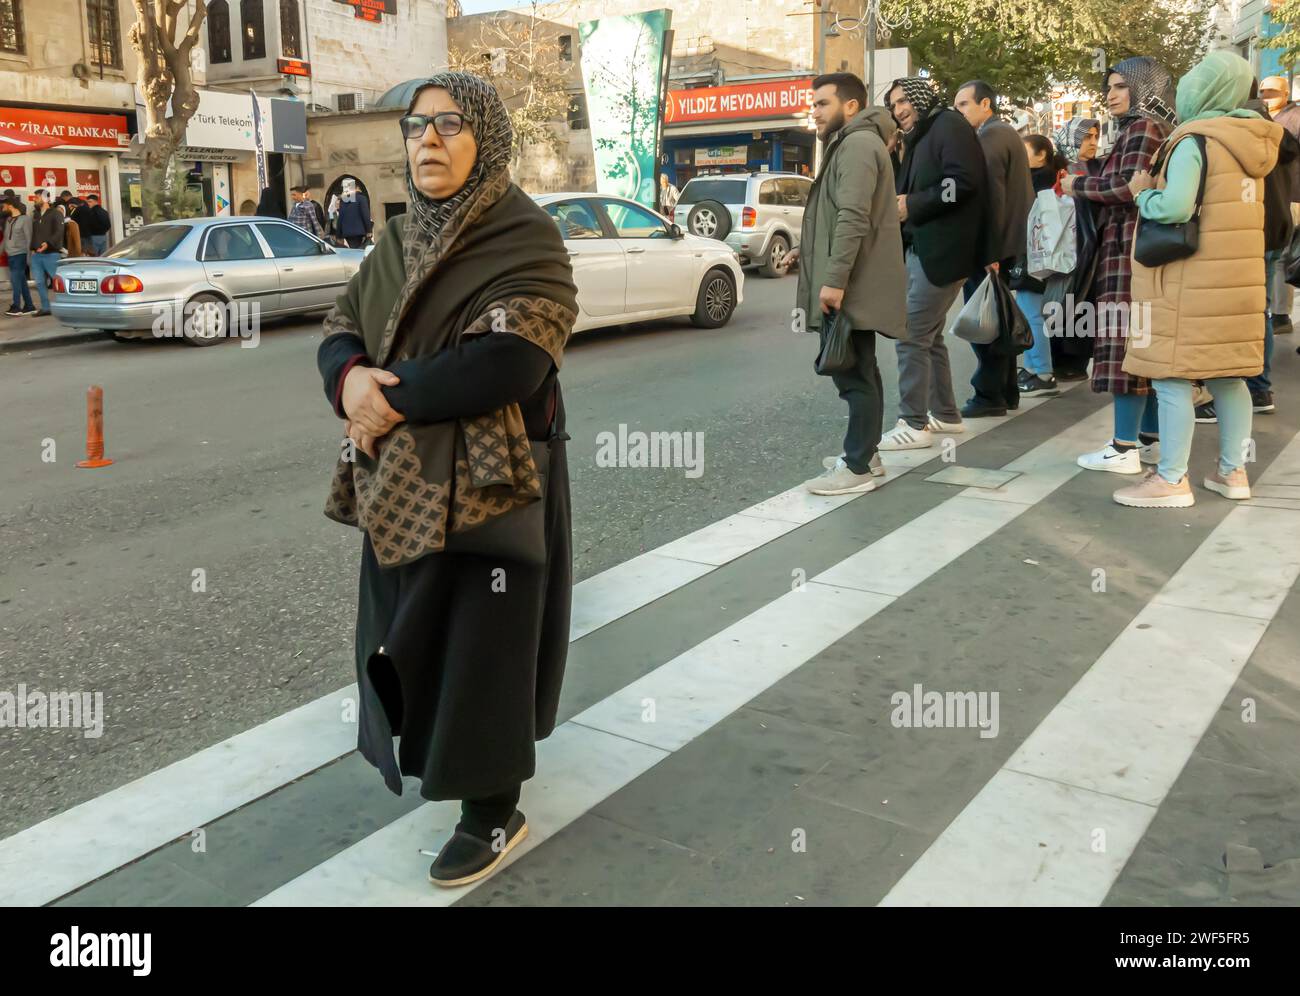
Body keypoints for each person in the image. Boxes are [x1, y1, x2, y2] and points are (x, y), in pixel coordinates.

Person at [315, 71, 578, 888]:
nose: (427, 140)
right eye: (416, 126)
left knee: (484, 645)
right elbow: (342, 325)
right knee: (411, 629)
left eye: (449, 124)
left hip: (493, 486)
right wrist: (349, 380)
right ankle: (437, 758)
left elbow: (513, 359)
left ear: (487, 137)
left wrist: (386, 403)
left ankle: (494, 810)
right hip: (403, 482)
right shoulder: (399, 239)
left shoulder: (524, 235)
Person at [1116, 50, 1280, 508]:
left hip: (1192, 282)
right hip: (1240, 282)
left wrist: (1143, 194)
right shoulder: (1254, 143)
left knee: (1171, 377)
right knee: (1231, 377)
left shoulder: (1196, 140)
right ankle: (1233, 473)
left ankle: (1170, 479)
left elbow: (1175, 208)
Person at [789, 72, 907, 496]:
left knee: (853, 373)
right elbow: (835, 214)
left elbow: (853, 216)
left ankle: (856, 466)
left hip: (853, 283)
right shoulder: (854, 142)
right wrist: (804, 252)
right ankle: (868, 455)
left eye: (822, 103)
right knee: (861, 368)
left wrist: (834, 281)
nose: (815, 112)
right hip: (855, 279)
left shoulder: (856, 144)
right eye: (814, 104)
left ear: (851, 106)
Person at [1061, 57, 1175, 476]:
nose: (1110, 95)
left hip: (1127, 252)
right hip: (1136, 250)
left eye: (1120, 86)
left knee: (1123, 347)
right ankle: (1147, 441)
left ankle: (1123, 446)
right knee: (1139, 346)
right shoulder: (1152, 128)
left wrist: (1077, 185)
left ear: (1145, 89)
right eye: (1109, 87)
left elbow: (1127, 187)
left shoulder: (1144, 128)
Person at [880, 75, 990, 450]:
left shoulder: (948, 126)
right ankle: (944, 414)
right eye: (893, 106)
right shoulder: (924, 133)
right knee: (929, 337)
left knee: (910, 333)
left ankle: (913, 422)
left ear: (919, 97)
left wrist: (914, 204)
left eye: (901, 102)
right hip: (925, 248)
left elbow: (962, 182)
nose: (898, 111)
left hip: (943, 249)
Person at [954, 79, 1035, 417]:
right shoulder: (1005, 134)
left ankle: (989, 396)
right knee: (998, 317)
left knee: (985, 321)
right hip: (1005, 243)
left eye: (963, 105)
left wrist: (989, 251)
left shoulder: (990, 136)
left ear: (985, 105)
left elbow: (991, 197)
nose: (958, 112)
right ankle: (1005, 392)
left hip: (993, 247)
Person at [1014, 134, 1068, 395]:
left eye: (1024, 150)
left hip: (1036, 255)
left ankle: (1043, 372)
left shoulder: (1040, 182)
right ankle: (1033, 368)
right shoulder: (1049, 179)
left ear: (1041, 155)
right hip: (1042, 255)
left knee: (1032, 313)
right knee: (1029, 310)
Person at [1049, 116, 1102, 380]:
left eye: (1095, 137)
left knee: (1083, 304)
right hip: (1065, 250)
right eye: (1086, 137)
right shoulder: (1057, 168)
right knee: (1063, 301)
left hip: (1090, 250)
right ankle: (1061, 360)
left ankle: (1075, 362)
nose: (1092, 142)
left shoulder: (1098, 168)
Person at [1259, 75, 1299, 336]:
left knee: (1286, 256)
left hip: (1294, 195)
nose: (1267, 96)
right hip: (1276, 196)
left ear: (1285, 93)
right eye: (1263, 92)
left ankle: (1281, 316)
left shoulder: (1294, 118)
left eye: (1273, 92)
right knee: (1278, 256)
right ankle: (1277, 314)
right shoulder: (1264, 119)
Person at [29, 190, 64, 315]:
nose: (34, 199)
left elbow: (59, 231)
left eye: (37, 197)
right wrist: (32, 248)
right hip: (37, 255)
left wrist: (48, 243)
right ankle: (45, 308)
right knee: (39, 282)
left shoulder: (56, 213)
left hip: (51, 254)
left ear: (46, 199)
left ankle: (64, 306)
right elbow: (33, 233)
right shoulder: (36, 215)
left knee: (57, 282)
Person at [2, 197, 35, 316]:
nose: (3, 208)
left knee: (15, 281)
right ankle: (29, 306)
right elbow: (5, 239)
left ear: (11, 206)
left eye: (4, 205)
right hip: (10, 255)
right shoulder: (8, 220)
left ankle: (16, 306)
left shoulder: (25, 219)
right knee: (21, 281)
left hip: (20, 254)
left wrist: (28, 257)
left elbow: (29, 238)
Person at [336, 178, 372, 248]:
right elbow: (365, 215)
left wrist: (339, 234)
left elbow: (340, 218)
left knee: (354, 249)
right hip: (359, 232)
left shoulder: (343, 200)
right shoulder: (361, 198)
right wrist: (369, 230)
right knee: (359, 252)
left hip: (347, 233)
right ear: (356, 188)